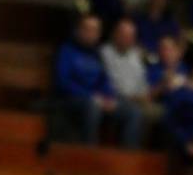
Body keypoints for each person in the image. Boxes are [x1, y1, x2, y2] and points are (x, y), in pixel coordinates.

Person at [53, 14, 142, 148]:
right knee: (92, 107)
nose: (91, 33)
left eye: (95, 30)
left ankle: (128, 158)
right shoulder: (66, 51)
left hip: (97, 99)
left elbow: (104, 81)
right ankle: (90, 154)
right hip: (71, 99)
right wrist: (91, 97)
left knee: (133, 112)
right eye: (87, 29)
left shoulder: (96, 54)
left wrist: (109, 97)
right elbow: (63, 82)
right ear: (78, 30)